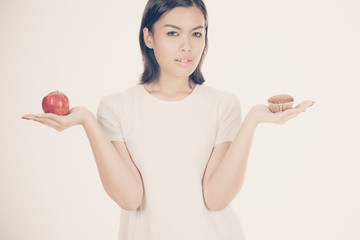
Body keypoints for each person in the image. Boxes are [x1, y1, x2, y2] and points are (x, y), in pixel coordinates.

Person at [22, 0, 314, 239]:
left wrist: (252, 121)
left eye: (196, 33)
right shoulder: (116, 107)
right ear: (149, 37)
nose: (187, 46)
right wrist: (87, 121)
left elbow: (216, 199)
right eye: (173, 33)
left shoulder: (222, 104)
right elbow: (130, 198)